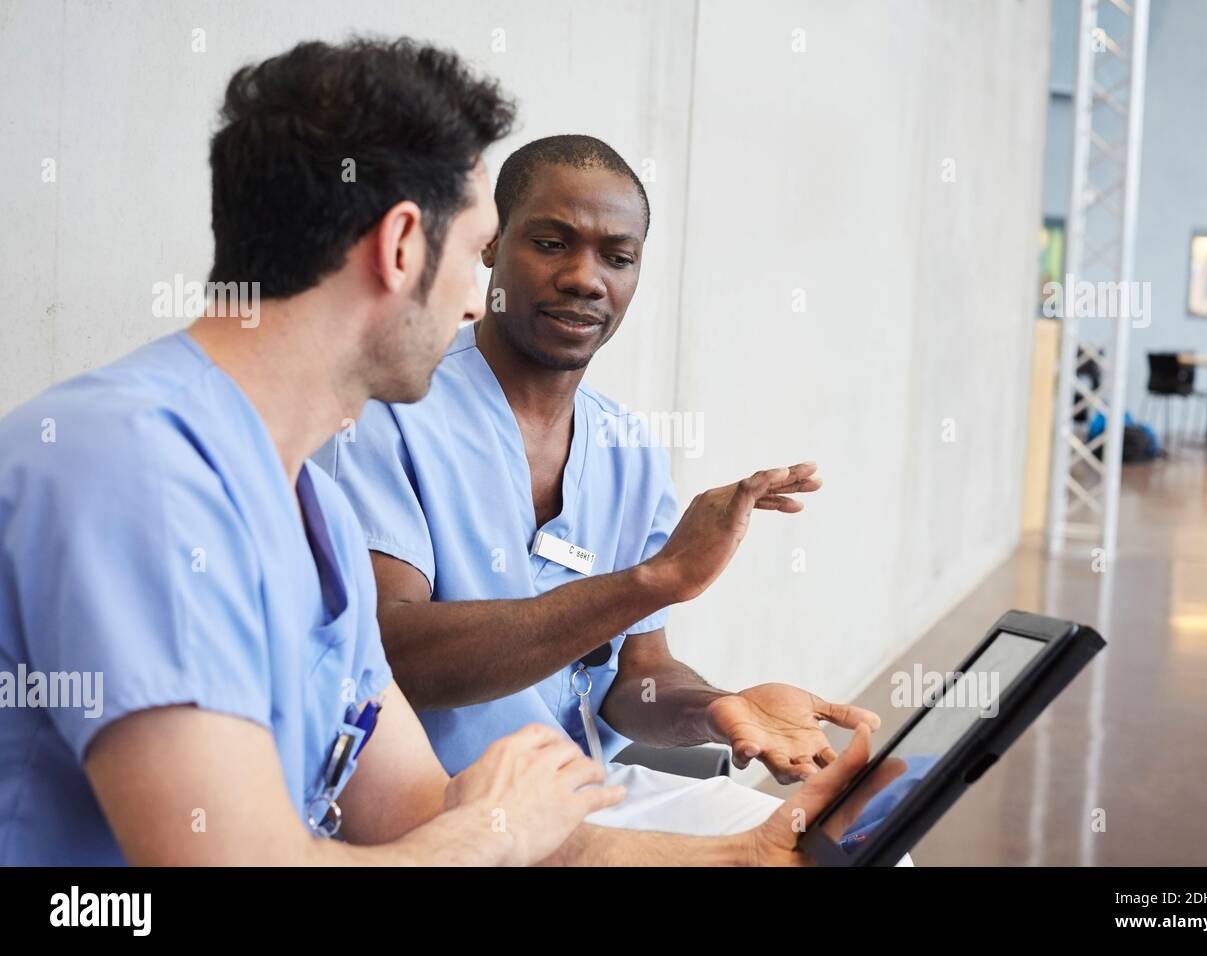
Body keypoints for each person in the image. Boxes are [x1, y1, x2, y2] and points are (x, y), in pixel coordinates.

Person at [0, 39, 876, 866]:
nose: (472, 300)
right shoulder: (132, 474)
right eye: (474, 252)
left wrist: (740, 854)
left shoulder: (312, 516)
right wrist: (496, 835)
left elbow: (423, 807)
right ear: (401, 247)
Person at [315, 135, 908, 856]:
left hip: (587, 791)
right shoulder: (394, 412)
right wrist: (654, 580)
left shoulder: (627, 448)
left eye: (616, 257)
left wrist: (720, 708)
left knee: (857, 853)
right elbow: (391, 656)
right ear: (492, 248)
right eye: (551, 242)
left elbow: (638, 676)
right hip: (434, 812)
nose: (584, 278)